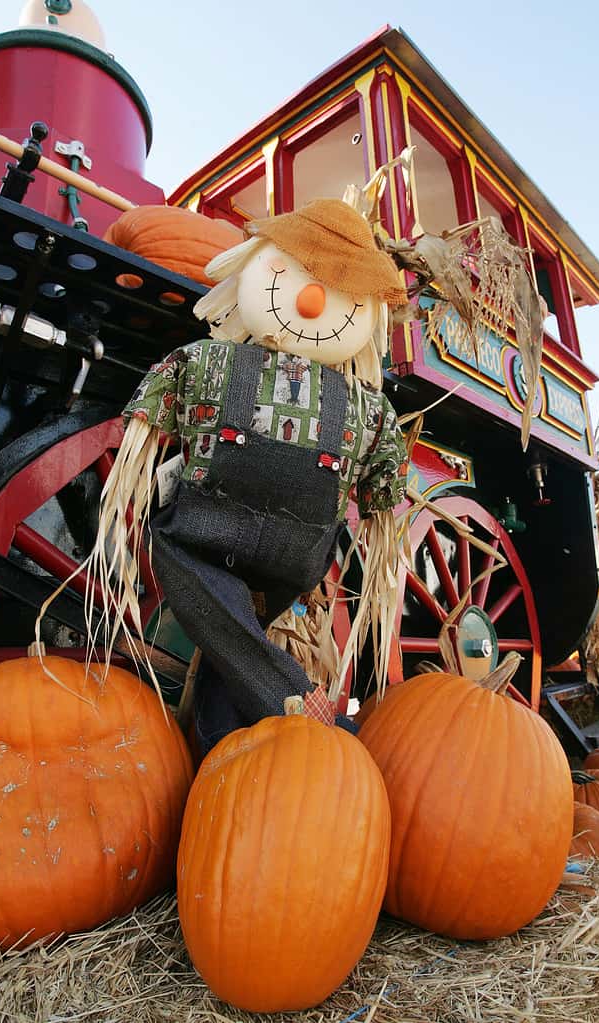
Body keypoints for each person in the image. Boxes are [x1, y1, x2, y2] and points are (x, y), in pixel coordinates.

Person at [88, 198, 409, 753]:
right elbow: (385, 487)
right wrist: (382, 522)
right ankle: (221, 747)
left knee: (170, 544)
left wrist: (135, 471)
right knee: (237, 634)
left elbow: (154, 406)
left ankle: (297, 701)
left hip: (211, 525)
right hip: (302, 550)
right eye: (292, 278)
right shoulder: (368, 407)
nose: (310, 301)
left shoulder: (210, 362)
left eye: (340, 296)